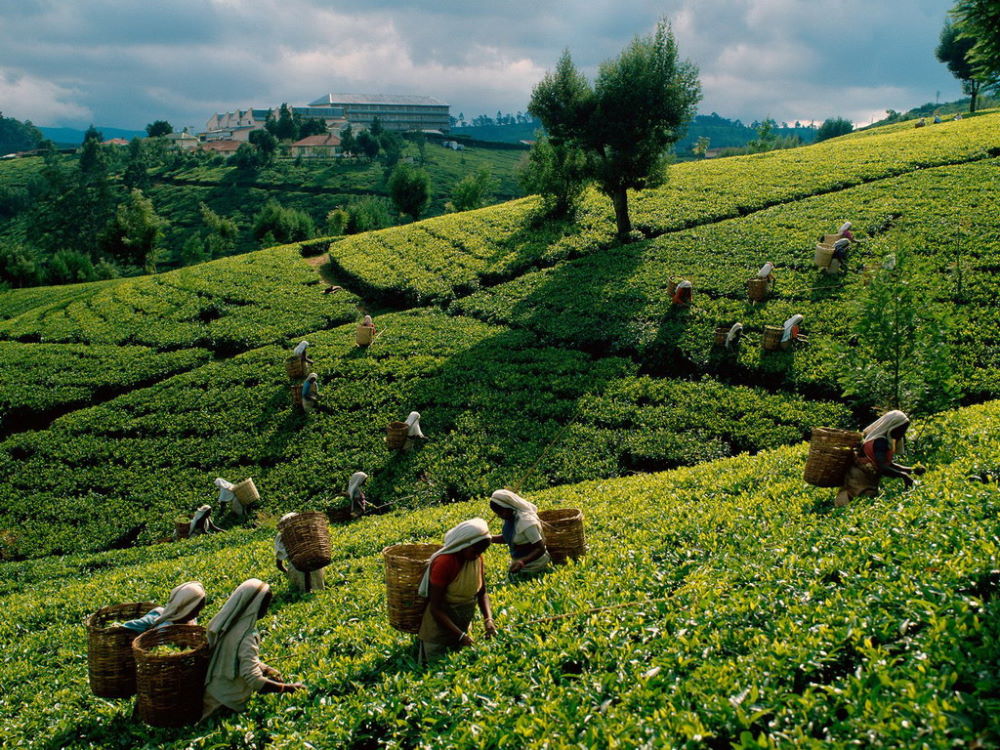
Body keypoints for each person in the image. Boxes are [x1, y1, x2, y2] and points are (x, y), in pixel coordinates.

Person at [202, 579, 304, 719]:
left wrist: (265, 668)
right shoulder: (247, 636)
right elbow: (253, 679)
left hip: (212, 693)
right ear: (254, 605)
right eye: (265, 605)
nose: (267, 610)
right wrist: (288, 688)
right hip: (226, 703)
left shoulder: (226, 625)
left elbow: (234, 658)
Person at [417, 518, 497, 664]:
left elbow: (482, 592)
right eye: (474, 551)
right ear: (463, 545)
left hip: (462, 623)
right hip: (438, 631)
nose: (477, 555)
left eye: (481, 552)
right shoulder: (445, 563)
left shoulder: (477, 558)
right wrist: (461, 636)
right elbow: (435, 608)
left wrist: (488, 619)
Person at [835, 410, 922, 507]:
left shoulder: (880, 440)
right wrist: (904, 476)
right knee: (864, 504)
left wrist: (911, 470)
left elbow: (887, 464)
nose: (902, 433)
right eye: (901, 429)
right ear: (893, 427)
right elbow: (882, 467)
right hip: (859, 483)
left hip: (861, 481)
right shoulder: (880, 442)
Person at [488, 489, 551, 576]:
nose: (499, 516)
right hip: (518, 563)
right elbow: (510, 538)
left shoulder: (526, 522)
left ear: (508, 507)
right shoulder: (510, 518)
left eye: (501, 513)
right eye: (497, 513)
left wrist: (522, 562)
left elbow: (540, 548)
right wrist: (489, 538)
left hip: (535, 564)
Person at [122, 581, 207, 634]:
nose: (197, 614)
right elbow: (129, 626)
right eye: (195, 610)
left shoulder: (191, 621)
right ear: (184, 607)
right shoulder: (158, 617)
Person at [275, 514, 326, 592]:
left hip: (296, 567)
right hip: (315, 565)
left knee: (300, 596)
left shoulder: (282, 536)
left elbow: (279, 564)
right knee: (318, 594)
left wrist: (286, 572)